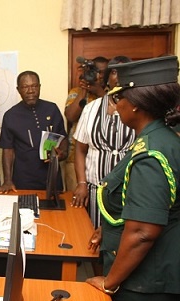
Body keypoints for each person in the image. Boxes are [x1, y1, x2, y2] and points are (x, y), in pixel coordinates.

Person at [86, 56, 180, 300]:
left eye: (119, 98)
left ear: (136, 103)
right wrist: (108, 228)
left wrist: (109, 283)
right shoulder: (157, 137)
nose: (116, 106)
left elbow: (142, 232)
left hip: (147, 285)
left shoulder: (152, 153)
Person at [72, 56, 136, 229]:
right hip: (95, 190)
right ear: (107, 77)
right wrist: (82, 183)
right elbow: (80, 149)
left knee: (123, 238)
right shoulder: (91, 108)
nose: (119, 76)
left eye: (125, 71)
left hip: (129, 191)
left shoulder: (139, 108)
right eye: (115, 71)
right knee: (93, 236)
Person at [0, 71, 67, 192]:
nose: (30, 91)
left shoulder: (52, 109)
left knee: (55, 210)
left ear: (39, 87)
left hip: (51, 177)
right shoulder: (10, 115)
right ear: (18, 90)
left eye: (34, 86)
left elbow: (62, 137)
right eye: (25, 87)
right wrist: (8, 180)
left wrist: (63, 153)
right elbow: (8, 150)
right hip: (24, 179)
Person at [64, 56, 108, 192]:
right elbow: (71, 116)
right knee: (76, 203)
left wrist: (99, 92)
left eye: (102, 72)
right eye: (95, 72)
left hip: (103, 158)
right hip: (75, 158)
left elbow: (115, 112)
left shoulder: (111, 93)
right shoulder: (76, 92)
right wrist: (84, 91)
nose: (98, 76)